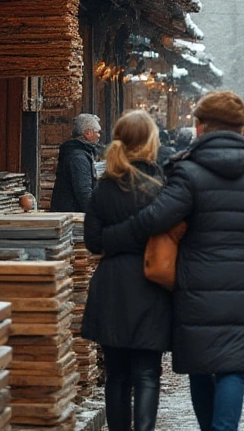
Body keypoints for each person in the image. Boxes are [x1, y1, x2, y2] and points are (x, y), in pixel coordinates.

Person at [101, 91, 244, 431]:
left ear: (200, 126)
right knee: (232, 366)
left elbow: (155, 219)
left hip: (197, 283)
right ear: (241, 128)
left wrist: (111, 237)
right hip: (243, 281)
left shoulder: (188, 171)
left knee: (201, 362)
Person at [82, 110, 171, 431]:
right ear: (150, 141)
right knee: (148, 373)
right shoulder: (161, 186)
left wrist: (113, 239)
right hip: (152, 284)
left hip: (112, 285)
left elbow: (92, 241)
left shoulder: (105, 187)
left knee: (117, 375)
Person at [50, 113, 101, 212]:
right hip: (71, 213)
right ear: (88, 133)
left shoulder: (76, 153)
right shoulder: (78, 158)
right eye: (97, 132)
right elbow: (84, 192)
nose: (99, 136)